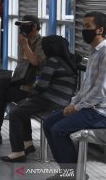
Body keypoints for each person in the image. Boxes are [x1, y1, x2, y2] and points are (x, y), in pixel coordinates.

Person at [44, 11, 106, 180]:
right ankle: (70, 171)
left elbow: (100, 91)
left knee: (58, 130)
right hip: (89, 107)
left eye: (88, 27)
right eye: (83, 26)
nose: (83, 30)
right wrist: (73, 103)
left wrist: (77, 107)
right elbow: (86, 86)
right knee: (49, 123)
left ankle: (73, 174)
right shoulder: (94, 52)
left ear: (100, 30)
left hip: (100, 112)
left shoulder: (105, 53)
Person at [0, 35, 77, 163]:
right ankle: (27, 143)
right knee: (21, 107)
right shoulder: (69, 61)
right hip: (64, 101)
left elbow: (42, 86)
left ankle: (18, 152)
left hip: (51, 100)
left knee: (15, 112)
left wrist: (30, 97)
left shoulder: (53, 61)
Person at [0, 15, 46, 144]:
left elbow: (35, 62)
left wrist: (25, 45)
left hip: (33, 87)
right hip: (22, 82)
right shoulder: (25, 41)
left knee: (1, 94)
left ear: (34, 27)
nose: (21, 29)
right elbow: (22, 67)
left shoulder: (42, 42)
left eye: (24, 25)